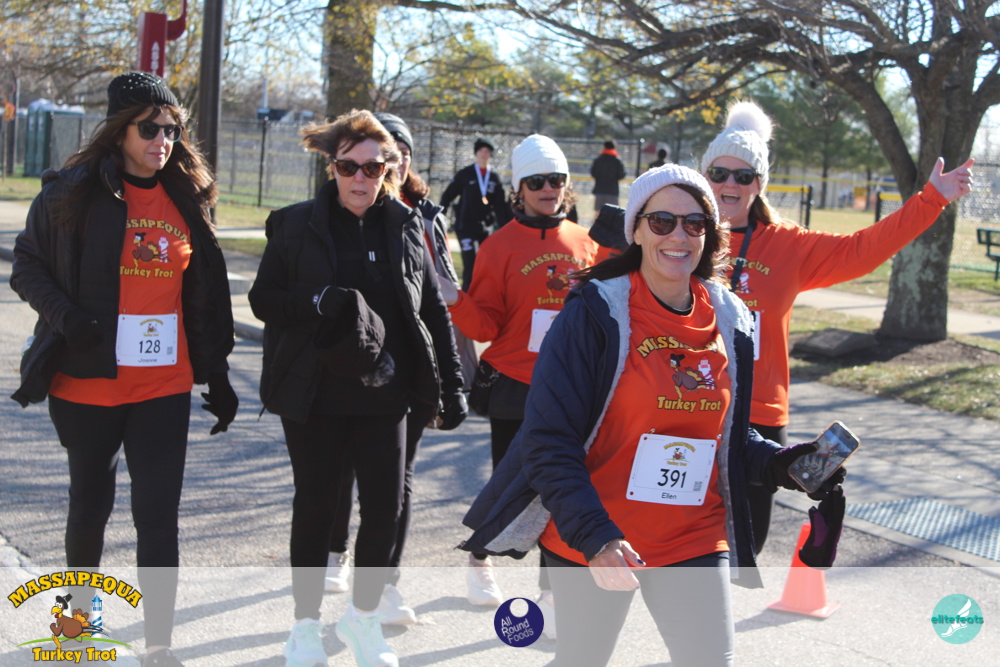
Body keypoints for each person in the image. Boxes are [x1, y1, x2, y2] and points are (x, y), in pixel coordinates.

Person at [460, 164, 842, 666]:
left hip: (692, 534)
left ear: (710, 233)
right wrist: (594, 535)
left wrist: (783, 463)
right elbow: (548, 439)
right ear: (636, 230)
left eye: (694, 223)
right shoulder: (595, 311)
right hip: (598, 531)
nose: (678, 236)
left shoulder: (730, 317)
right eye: (661, 222)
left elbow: (724, 432)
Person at [9, 71, 238, 667]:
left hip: (163, 385)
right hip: (87, 382)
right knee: (90, 507)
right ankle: (77, 632)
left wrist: (216, 372)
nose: (163, 140)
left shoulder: (188, 198)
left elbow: (204, 295)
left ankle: (158, 645)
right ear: (119, 132)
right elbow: (26, 266)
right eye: (149, 129)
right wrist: (68, 318)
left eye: (172, 130)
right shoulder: (71, 194)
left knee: (158, 518)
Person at [700, 100, 974, 554]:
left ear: (760, 183)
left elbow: (862, 250)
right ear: (704, 176)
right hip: (687, 402)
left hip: (759, 411)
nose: (730, 183)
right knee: (682, 537)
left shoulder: (788, 244)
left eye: (743, 175)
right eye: (719, 172)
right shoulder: (680, 233)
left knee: (747, 544)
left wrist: (931, 200)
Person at [248, 109, 466, 667]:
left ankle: (363, 619)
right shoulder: (295, 225)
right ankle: (303, 627)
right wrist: (315, 301)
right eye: (349, 166)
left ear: (389, 169)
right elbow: (263, 300)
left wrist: (453, 384)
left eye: (373, 167)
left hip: (386, 393)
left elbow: (432, 309)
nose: (360, 178)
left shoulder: (405, 225)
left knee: (385, 509)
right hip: (315, 394)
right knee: (316, 509)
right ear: (333, 167)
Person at [437, 134, 603, 631]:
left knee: (563, 495)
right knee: (510, 488)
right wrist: (454, 299)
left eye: (557, 180)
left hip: (572, 389)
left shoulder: (587, 243)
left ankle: (552, 595)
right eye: (537, 182)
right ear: (519, 189)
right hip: (515, 385)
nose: (548, 189)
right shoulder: (498, 246)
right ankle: (479, 561)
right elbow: (486, 324)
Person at [320, 112, 474, 627]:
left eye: (400, 154)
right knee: (342, 470)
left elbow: (439, 297)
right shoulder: (337, 209)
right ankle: (336, 549)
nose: (394, 162)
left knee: (395, 483)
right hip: (346, 373)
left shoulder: (421, 219)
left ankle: (384, 584)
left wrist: (452, 381)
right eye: (389, 153)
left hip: (405, 377)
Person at [438, 137, 511, 289]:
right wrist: (440, 216)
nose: (484, 155)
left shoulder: (494, 177)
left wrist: (506, 227)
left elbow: (499, 206)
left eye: (487, 152)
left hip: (485, 228)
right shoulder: (466, 174)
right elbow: (448, 195)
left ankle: (482, 293)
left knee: (485, 262)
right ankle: (467, 294)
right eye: (481, 151)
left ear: (491, 155)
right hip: (465, 226)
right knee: (470, 262)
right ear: (476, 153)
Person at [590, 139, 627, 212]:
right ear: (614, 147)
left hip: (599, 189)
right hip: (612, 191)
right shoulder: (617, 160)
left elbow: (593, 173)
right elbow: (622, 175)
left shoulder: (598, 159)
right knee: (612, 212)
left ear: (604, 147)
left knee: (598, 211)